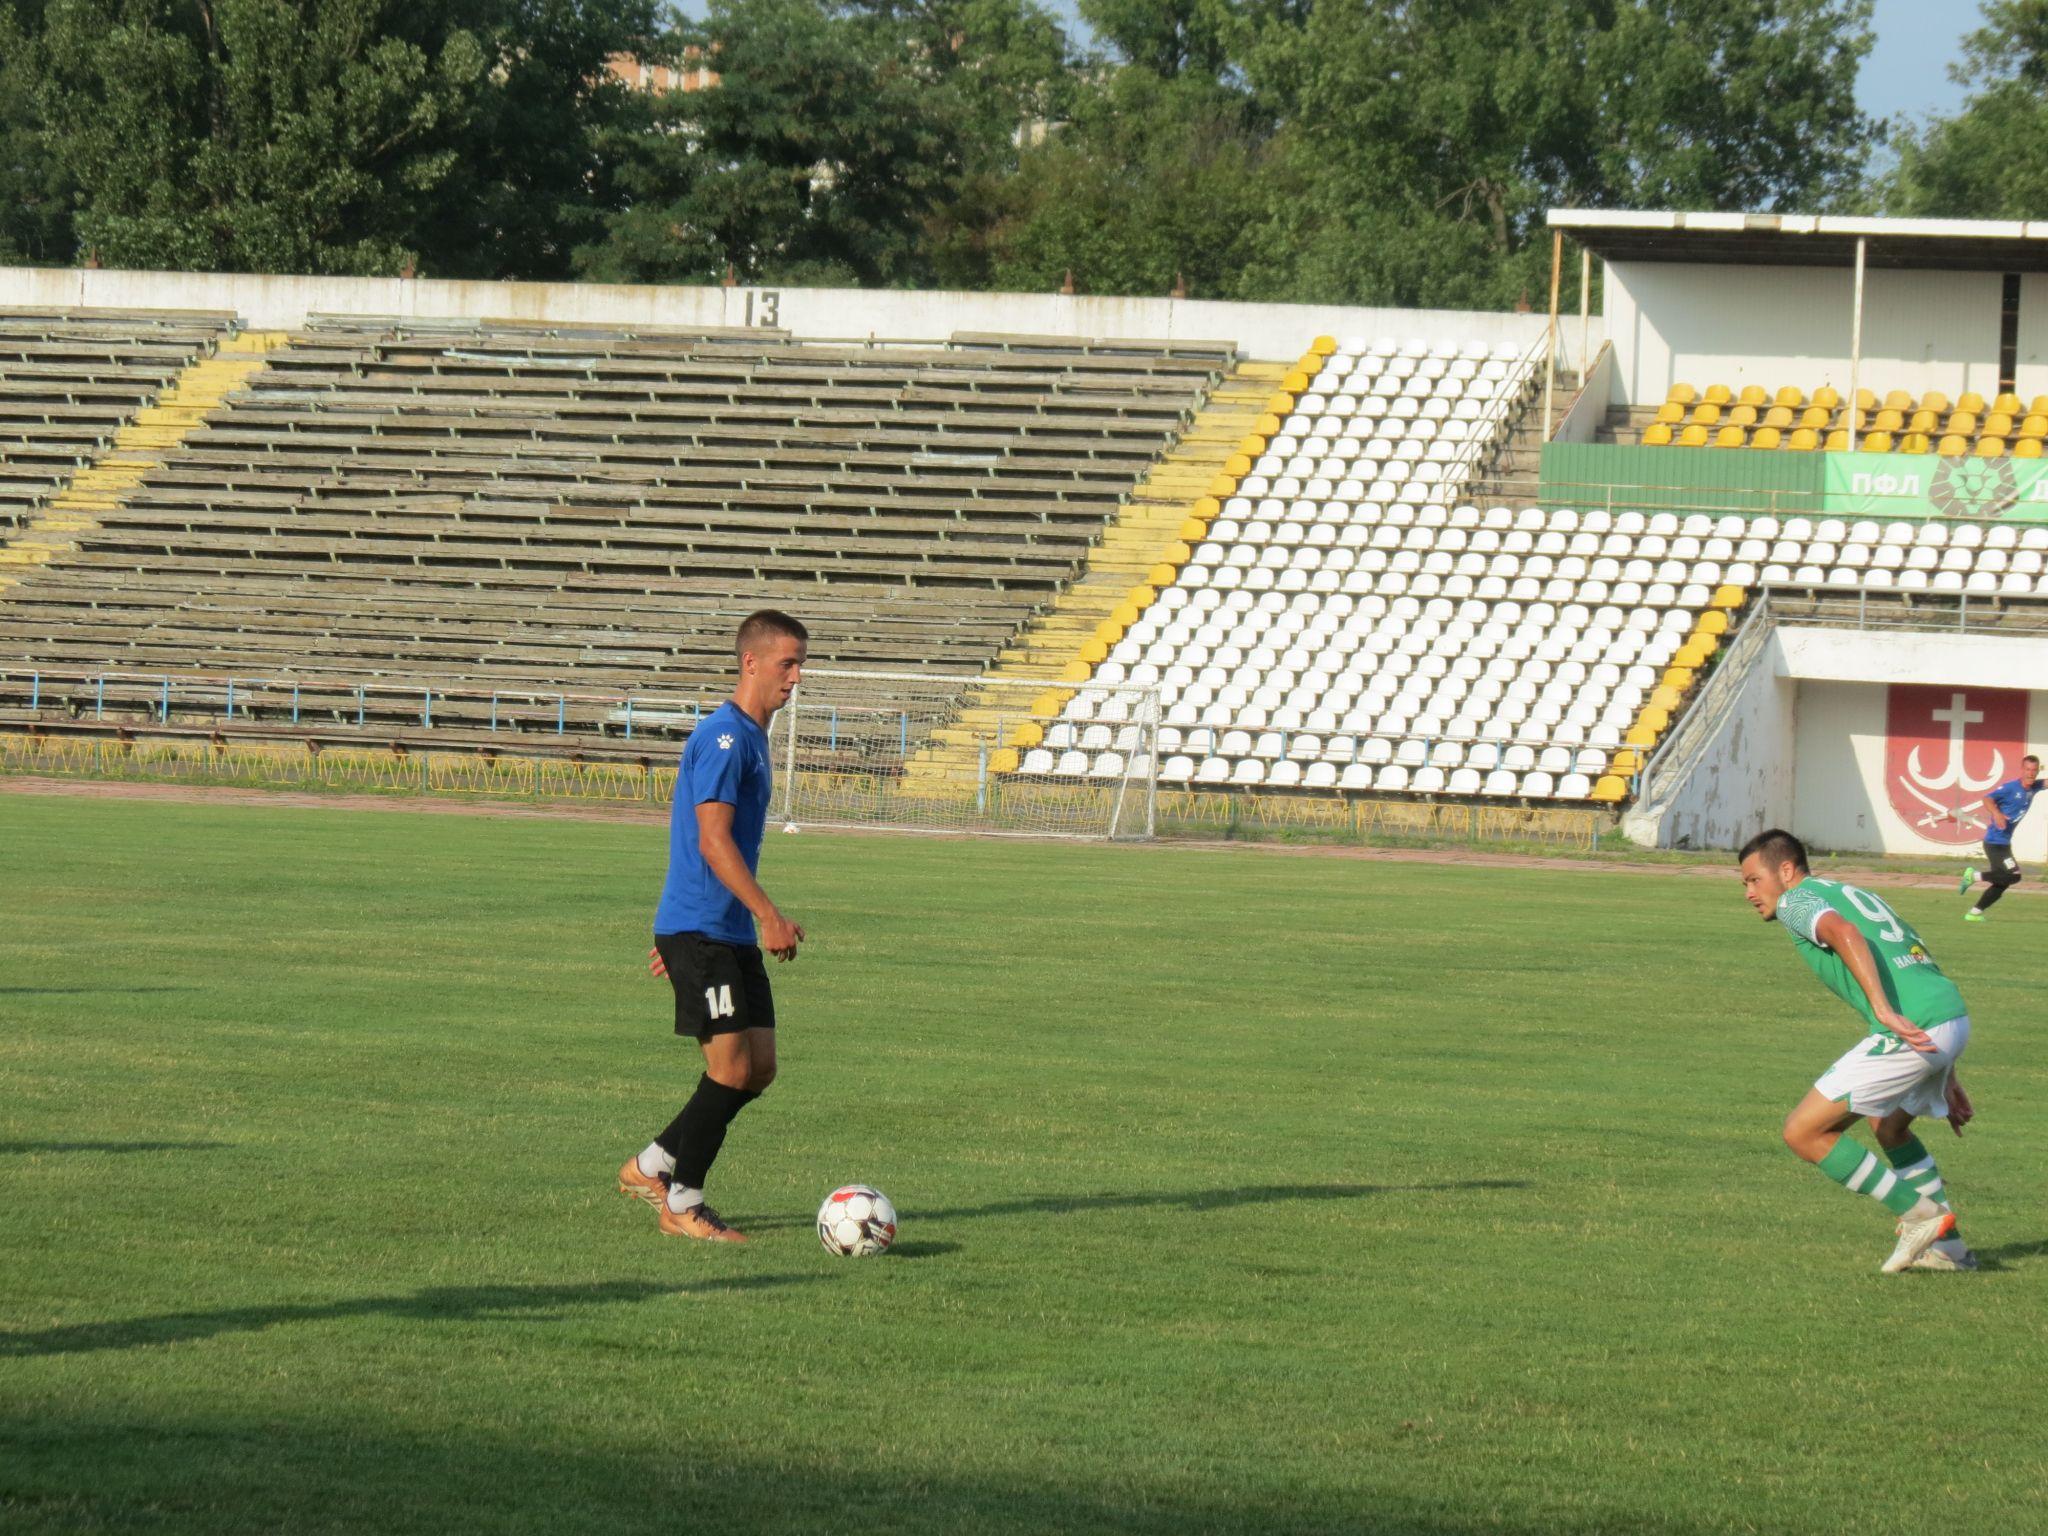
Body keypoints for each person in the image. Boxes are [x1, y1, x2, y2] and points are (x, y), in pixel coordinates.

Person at [617, 609, 808, 1242]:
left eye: (801, 663)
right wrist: (767, 914)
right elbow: (711, 839)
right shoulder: (726, 738)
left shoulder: (752, 738)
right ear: (750, 662)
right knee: (728, 1068)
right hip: (707, 931)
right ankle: (682, 1203)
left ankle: (652, 1165)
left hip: (716, 933)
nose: (796, 677)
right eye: (787, 663)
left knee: (759, 1067)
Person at [1737, 828, 1978, 1273]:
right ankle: (1952, 1253)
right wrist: (1947, 1067)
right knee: (1887, 1127)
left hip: (1916, 1026)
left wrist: (1884, 1010)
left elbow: (1844, 932)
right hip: (1947, 1015)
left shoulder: (1797, 899)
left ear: (1786, 871)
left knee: (1803, 1133)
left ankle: (1920, 1215)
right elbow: (1913, 954)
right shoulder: (1847, 890)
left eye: (1754, 880)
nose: (1749, 892)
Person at [1956, 754, 2041, 921]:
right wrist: (1997, 813)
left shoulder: (2033, 787)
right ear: (2022, 770)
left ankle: (1974, 913)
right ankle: (1973, 876)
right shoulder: (2011, 788)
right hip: (1995, 843)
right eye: (2028, 770)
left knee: (2003, 881)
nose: (2031, 773)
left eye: (2034, 770)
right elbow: (1987, 798)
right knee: (2014, 876)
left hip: (2004, 844)